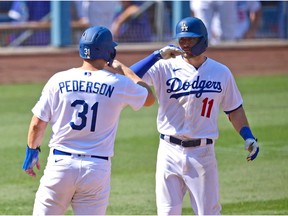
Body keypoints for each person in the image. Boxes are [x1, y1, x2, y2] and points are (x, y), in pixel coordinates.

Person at [21, 25, 183, 215]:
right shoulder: (118, 83)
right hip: (96, 169)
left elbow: (37, 125)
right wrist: (123, 67)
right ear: (109, 52)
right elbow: (148, 98)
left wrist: (31, 152)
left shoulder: (58, 79)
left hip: (60, 165)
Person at [130, 17, 259, 215]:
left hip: (202, 154)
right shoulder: (164, 67)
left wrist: (248, 135)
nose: (186, 44)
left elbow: (234, 108)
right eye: (182, 40)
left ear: (203, 40)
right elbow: (128, 78)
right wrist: (156, 56)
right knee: (166, 213)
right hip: (168, 151)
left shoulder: (220, 72)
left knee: (207, 212)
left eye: (191, 39)